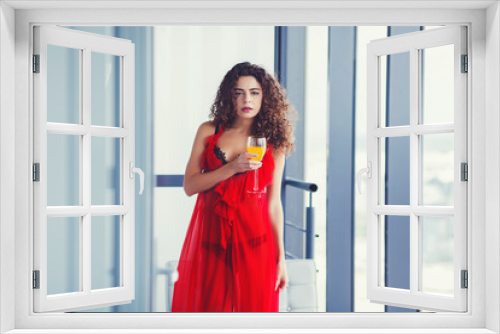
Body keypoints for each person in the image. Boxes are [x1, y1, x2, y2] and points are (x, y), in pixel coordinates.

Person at [171, 62, 296, 312]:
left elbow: (273, 204)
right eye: (239, 92)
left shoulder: (275, 141)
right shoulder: (209, 131)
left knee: (254, 317)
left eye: (254, 92)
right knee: (208, 314)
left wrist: (281, 259)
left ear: (265, 97)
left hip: (256, 241)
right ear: (230, 96)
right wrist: (232, 168)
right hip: (211, 239)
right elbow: (190, 185)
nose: (246, 99)